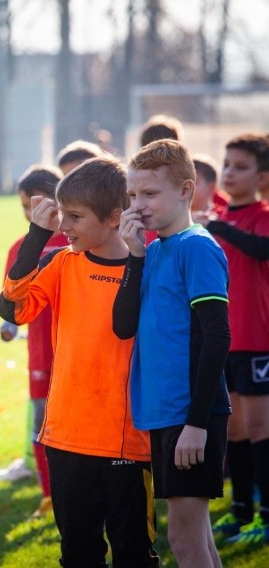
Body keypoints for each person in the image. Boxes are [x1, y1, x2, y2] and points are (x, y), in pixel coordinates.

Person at [0, 156, 159, 567]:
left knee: (134, 553)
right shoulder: (62, 263)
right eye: (61, 213)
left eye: (74, 216)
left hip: (127, 439)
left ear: (114, 217)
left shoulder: (150, 264)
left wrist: (136, 263)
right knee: (79, 554)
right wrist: (37, 234)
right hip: (66, 437)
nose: (64, 225)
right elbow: (12, 309)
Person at [114, 139, 231, 567]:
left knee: (184, 541)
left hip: (191, 416)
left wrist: (197, 423)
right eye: (132, 195)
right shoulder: (154, 249)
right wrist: (136, 259)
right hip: (164, 414)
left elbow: (216, 336)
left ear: (186, 190)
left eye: (149, 194)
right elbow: (124, 326)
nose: (138, 205)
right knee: (197, 538)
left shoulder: (196, 247)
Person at [196, 134, 269, 544]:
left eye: (240, 167)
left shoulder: (260, 214)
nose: (228, 173)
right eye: (227, 164)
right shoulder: (215, 218)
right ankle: (240, 512)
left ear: (261, 177)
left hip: (257, 339)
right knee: (236, 430)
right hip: (225, 340)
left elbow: (262, 250)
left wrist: (220, 225)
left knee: (260, 428)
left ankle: (266, 516)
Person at [0, 164, 68, 518]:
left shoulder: (77, 240)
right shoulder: (20, 248)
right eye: (25, 206)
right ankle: (49, 494)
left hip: (73, 349)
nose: (30, 213)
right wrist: (8, 326)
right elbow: (10, 300)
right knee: (41, 422)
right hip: (40, 350)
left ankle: (78, 489)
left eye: (36, 203)